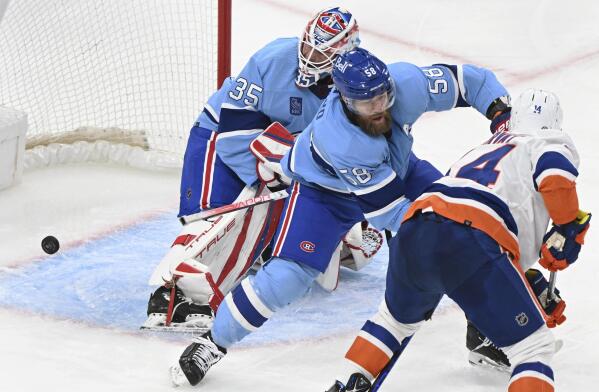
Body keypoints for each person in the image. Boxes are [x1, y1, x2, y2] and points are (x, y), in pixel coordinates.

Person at [169, 47, 511, 387]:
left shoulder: (405, 82)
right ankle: (212, 342)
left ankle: (482, 332)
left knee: (464, 223)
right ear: (345, 100)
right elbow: (394, 215)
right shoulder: (343, 140)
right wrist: (459, 230)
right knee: (285, 278)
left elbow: (471, 82)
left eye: (383, 96)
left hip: (398, 169)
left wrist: (503, 115)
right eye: (367, 103)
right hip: (324, 195)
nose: (379, 108)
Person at [327, 89, 590, 392]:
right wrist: (569, 228)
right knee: (533, 349)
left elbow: (477, 251)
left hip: (416, 228)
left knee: (391, 322)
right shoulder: (546, 140)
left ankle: (343, 382)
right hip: (472, 238)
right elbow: (554, 176)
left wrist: (526, 287)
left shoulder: (486, 147)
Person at [143, 7, 362, 330]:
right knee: (215, 220)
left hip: (279, 153)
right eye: (307, 46)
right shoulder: (272, 59)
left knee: (286, 230)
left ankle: (266, 244)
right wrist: (270, 181)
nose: (309, 56)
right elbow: (233, 137)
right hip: (220, 136)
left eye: (322, 52)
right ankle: (172, 293)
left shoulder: (358, 83)